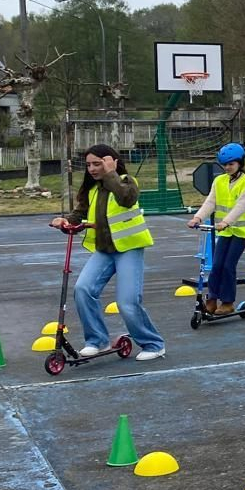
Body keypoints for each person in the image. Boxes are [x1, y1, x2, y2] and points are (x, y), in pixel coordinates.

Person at [51, 144, 166, 361]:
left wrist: (111, 173)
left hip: (128, 249)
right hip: (104, 251)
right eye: (88, 165)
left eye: (97, 163)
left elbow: (127, 198)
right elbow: (80, 212)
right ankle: (98, 341)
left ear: (111, 161)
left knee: (127, 301)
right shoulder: (92, 189)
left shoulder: (126, 181)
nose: (92, 169)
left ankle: (153, 344)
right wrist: (66, 221)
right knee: (83, 289)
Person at [187, 143, 245, 314]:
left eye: (231, 164)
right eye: (225, 164)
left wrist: (226, 221)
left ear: (240, 163)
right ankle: (212, 299)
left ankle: (227, 302)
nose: (227, 167)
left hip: (241, 231)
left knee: (228, 266)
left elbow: (240, 207)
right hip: (225, 230)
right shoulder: (219, 181)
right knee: (217, 264)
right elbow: (211, 202)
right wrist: (197, 217)